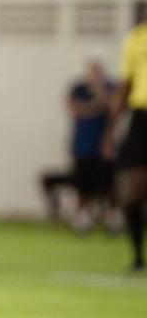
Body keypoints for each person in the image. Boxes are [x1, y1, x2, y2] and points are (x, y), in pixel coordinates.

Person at [105, 0, 147, 272]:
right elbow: (126, 84)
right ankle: (138, 257)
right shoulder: (136, 39)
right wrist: (110, 131)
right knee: (132, 190)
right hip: (141, 117)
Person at [67, 60, 118, 234]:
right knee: (82, 185)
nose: (94, 74)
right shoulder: (78, 88)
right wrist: (97, 107)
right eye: (91, 71)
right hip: (82, 146)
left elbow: (114, 109)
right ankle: (83, 217)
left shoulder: (110, 87)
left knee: (108, 185)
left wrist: (99, 92)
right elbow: (75, 110)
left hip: (103, 147)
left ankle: (112, 218)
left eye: (97, 71)